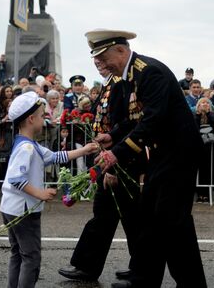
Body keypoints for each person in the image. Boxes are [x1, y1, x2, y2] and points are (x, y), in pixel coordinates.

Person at [87, 28, 207, 288]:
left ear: (120, 50)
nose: (102, 65)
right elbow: (134, 119)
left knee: (169, 218)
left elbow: (153, 120)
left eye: (104, 58)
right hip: (164, 152)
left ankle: (158, 280)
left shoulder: (149, 72)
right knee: (159, 216)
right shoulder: (129, 75)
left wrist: (117, 153)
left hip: (179, 153)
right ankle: (146, 277)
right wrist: (113, 135)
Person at [58, 57, 145, 283]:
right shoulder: (111, 83)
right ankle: (140, 267)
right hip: (112, 156)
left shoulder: (119, 85)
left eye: (102, 58)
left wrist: (113, 166)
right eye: (95, 59)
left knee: (113, 215)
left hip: (120, 160)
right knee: (124, 216)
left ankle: (92, 267)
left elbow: (128, 124)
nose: (98, 63)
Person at [0, 91, 97, 288]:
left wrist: (84, 150)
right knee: (31, 258)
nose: (45, 118)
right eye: (42, 115)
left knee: (18, 253)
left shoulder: (28, 144)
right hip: (23, 210)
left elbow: (55, 157)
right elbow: (16, 179)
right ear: (30, 119)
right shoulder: (26, 148)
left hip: (12, 207)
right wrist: (41, 194)